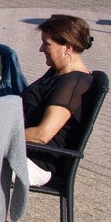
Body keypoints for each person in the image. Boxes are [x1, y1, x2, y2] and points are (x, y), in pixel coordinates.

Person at [22, 14, 94, 187]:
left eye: (47, 44)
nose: (41, 49)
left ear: (67, 48)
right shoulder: (58, 71)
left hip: (37, 163)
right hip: (24, 151)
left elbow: (43, 135)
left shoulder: (73, 84)